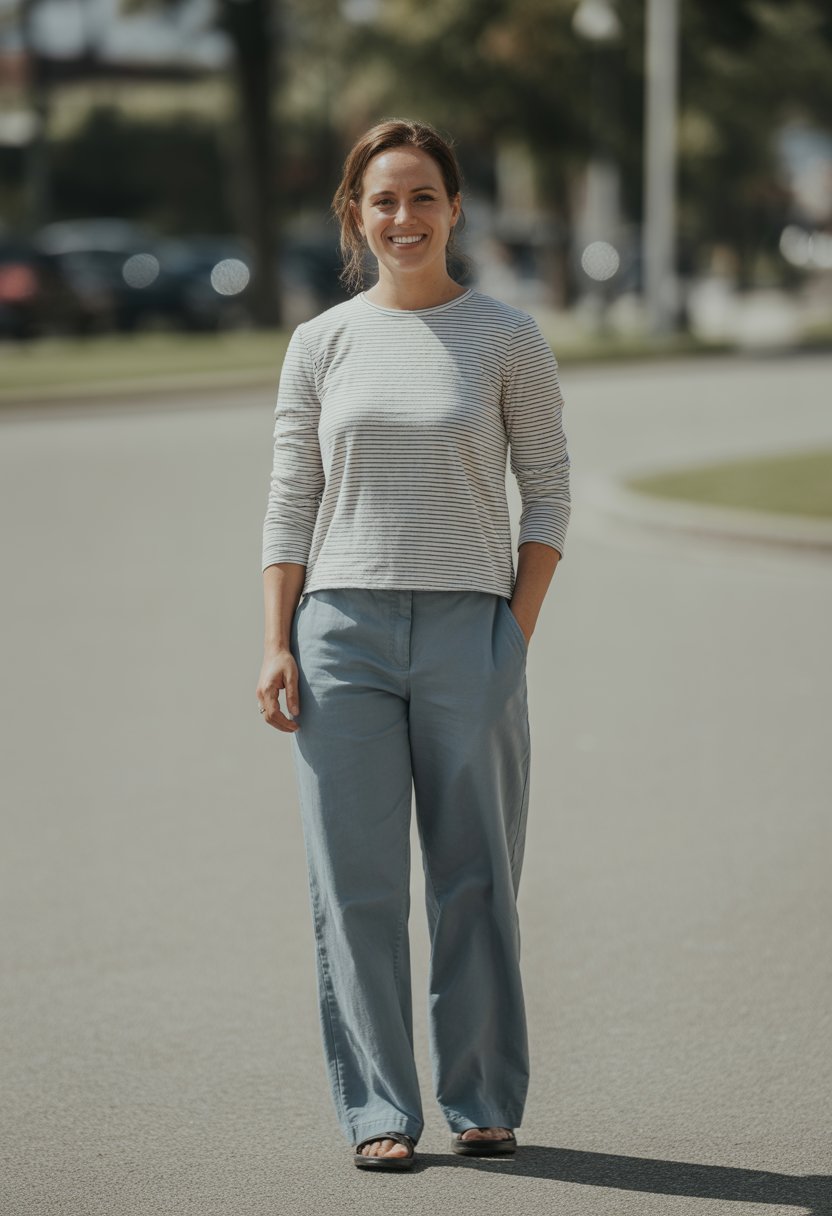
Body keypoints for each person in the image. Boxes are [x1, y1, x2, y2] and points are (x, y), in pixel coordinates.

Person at [256, 117, 571, 1172]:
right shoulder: (322, 342)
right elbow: (289, 501)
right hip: (338, 633)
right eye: (382, 199)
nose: (403, 217)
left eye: (422, 196)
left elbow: (550, 498)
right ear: (355, 213)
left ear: (455, 208)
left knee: (474, 877)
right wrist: (276, 640)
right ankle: (379, 1109)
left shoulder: (506, 337)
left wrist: (506, 641)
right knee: (355, 887)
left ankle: (482, 1096)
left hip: (465, 632)